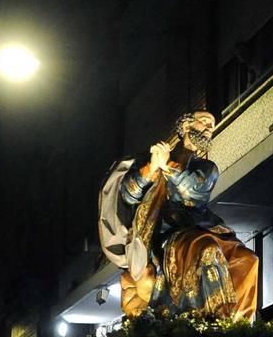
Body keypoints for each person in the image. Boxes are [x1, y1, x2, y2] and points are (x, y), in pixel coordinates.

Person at [100, 110, 258, 321]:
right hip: (168, 234)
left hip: (202, 226)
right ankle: (216, 321)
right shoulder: (150, 160)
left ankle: (240, 328)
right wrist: (152, 167)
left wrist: (166, 166)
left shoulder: (206, 167)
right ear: (185, 127)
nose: (209, 128)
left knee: (248, 259)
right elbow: (129, 194)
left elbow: (193, 193)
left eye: (212, 124)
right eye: (204, 122)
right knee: (206, 248)